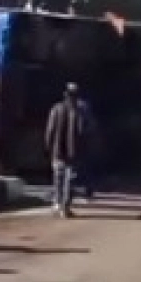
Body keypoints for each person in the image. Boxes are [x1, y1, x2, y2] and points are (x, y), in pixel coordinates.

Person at [44, 83, 91, 218]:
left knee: (58, 177)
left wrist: (48, 147)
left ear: (65, 95)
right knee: (70, 180)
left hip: (57, 151)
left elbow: (50, 131)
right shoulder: (81, 111)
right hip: (74, 152)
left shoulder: (56, 109)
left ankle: (57, 204)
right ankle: (65, 207)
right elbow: (85, 132)